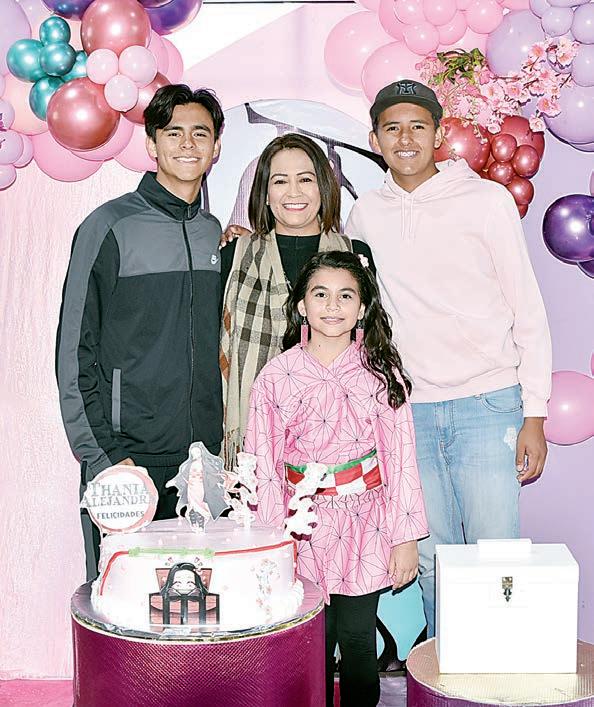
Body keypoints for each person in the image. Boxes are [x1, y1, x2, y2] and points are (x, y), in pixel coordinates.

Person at [345, 79, 552, 636]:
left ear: (439, 134)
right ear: (375, 140)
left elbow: (527, 309)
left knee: (495, 559)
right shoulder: (365, 215)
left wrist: (535, 414)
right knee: (432, 562)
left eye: (418, 126)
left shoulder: (486, 202)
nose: (405, 138)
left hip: (488, 405)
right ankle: (441, 675)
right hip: (409, 413)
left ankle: (496, 674)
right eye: (392, 128)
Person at [243, 251, 428, 707]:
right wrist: (269, 540)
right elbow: (263, 458)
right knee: (312, 640)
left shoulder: (381, 373)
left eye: (346, 296)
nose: (332, 305)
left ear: (362, 308)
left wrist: (405, 538)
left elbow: (401, 459)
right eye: (320, 294)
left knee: (358, 638)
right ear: (301, 305)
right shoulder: (276, 376)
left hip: (365, 524)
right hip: (300, 529)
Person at [56, 84, 225, 577]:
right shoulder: (108, 226)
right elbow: (73, 351)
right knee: (121, 602)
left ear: (216, 147)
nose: (188, 144)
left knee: (198, 606)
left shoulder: (213, 232)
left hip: (202, 462)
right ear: (152, 144)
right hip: (127, 459)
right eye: (173, 133)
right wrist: (104, 456)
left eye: (201, 133)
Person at [219, 133, 374, 467]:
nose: (293, 192)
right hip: (254, 441)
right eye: (280, 181)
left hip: (342, 445)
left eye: (305, 179)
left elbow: (374, 346)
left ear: (324, 187)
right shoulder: (235, 256)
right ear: (264, 194)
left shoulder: (355, 255)